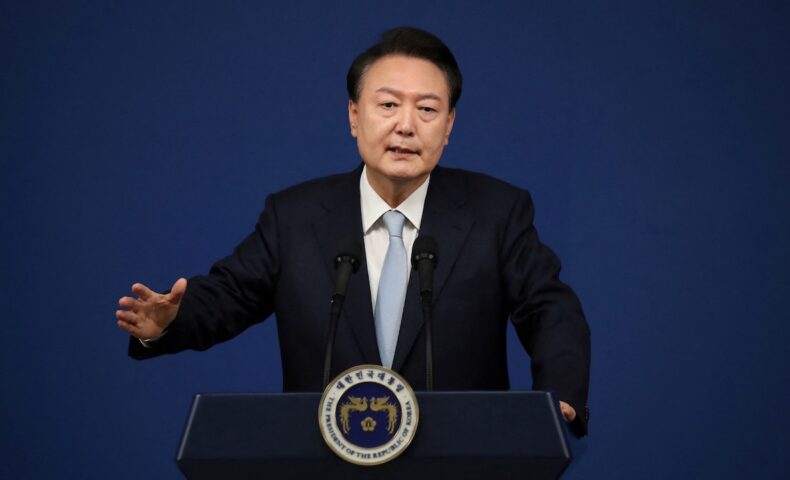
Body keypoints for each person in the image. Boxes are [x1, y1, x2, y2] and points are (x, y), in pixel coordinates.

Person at [116, 27, 591, 436]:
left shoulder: (496, 212)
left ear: (448, 125)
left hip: (462, 456)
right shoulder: (295, 216)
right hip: (324, 457)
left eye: (427, 110)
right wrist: (168, 322)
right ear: (354, 116)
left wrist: (559, 395)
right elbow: (229, 295)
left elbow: (549, 308)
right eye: (388, 104)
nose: (406, 125)